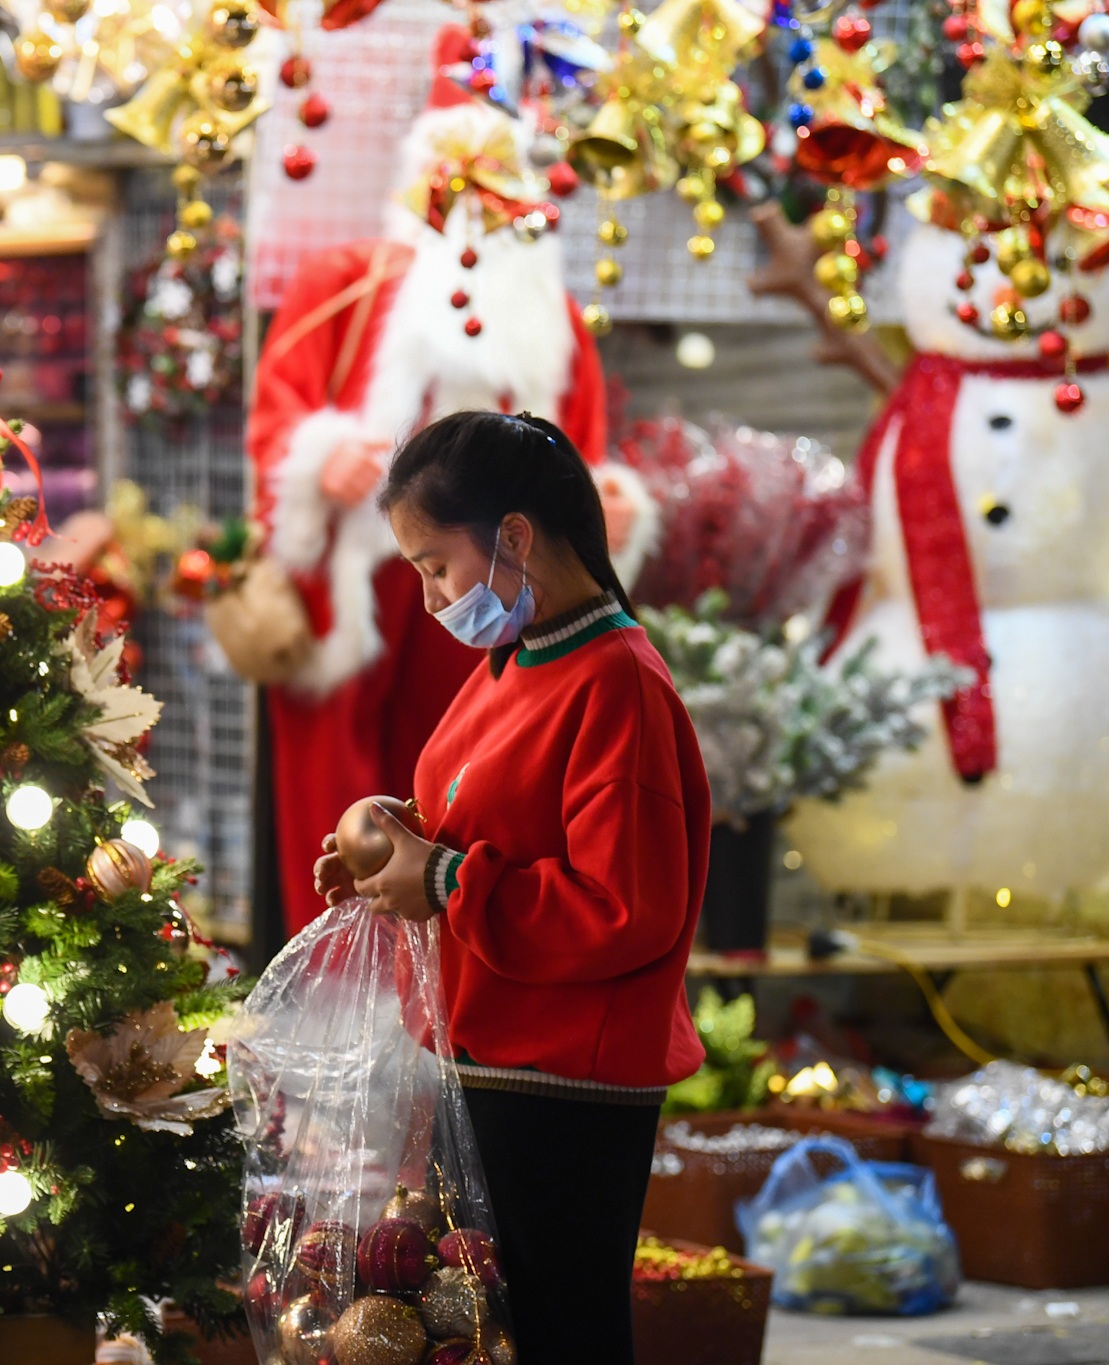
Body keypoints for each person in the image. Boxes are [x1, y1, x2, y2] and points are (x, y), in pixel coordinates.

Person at [313, 411, 710, 1365]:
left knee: (554, 1333)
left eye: (435, 565)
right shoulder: (516, 659)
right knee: (478, 1332)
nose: (430, 595)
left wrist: (444, 879)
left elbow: (624, 908)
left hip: (564, 1085)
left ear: (516, 536)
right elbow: (482, 811)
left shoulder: (617, 681)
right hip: (488, 1059)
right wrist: (391, 842)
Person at [247, 24, 608, 937]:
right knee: (338, 784)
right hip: (359, 575)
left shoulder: (550, 318)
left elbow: (585, 445)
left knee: (493, 774)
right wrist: (320, 458)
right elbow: (279, 414)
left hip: (498, 578)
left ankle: (463, 969)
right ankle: (329, 979)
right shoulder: (347, 283)